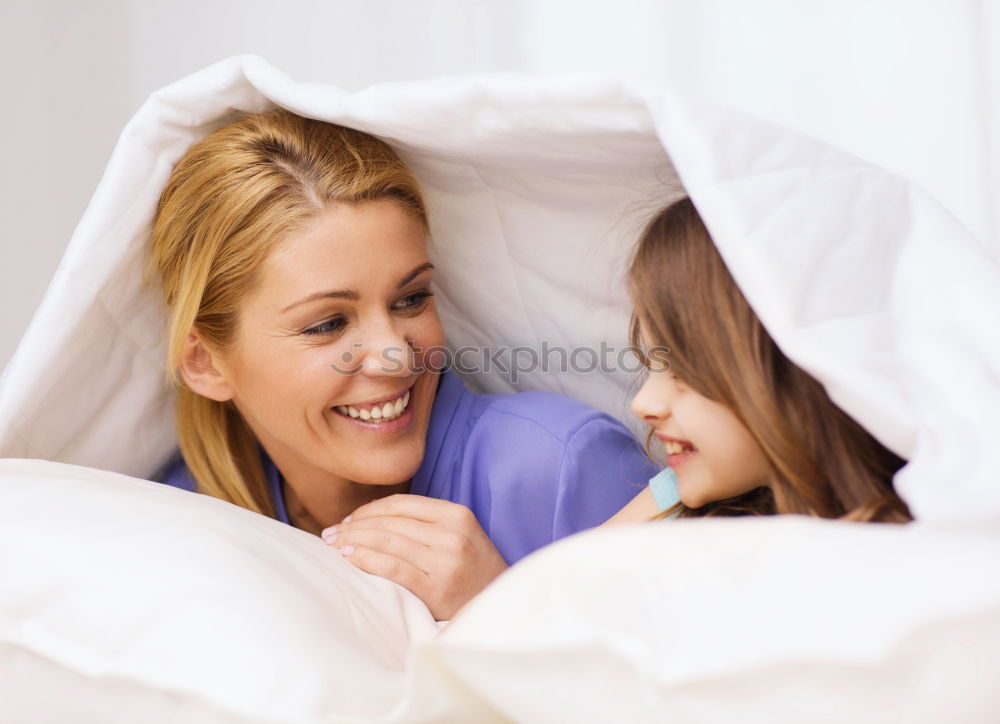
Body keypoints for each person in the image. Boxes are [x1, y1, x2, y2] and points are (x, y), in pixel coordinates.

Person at [149, 108, 656, 620]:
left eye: (410, 299)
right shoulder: (188, 518)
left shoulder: (559, 467)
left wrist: (494, 610)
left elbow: (695, 687)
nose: (395, 357)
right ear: (207, 364)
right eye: (327, 325)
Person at [607, 196, 910, 525]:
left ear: (797, 377)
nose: (642, 403)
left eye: (682, 371)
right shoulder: (674, 501)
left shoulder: (907, 545)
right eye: (653, 363)